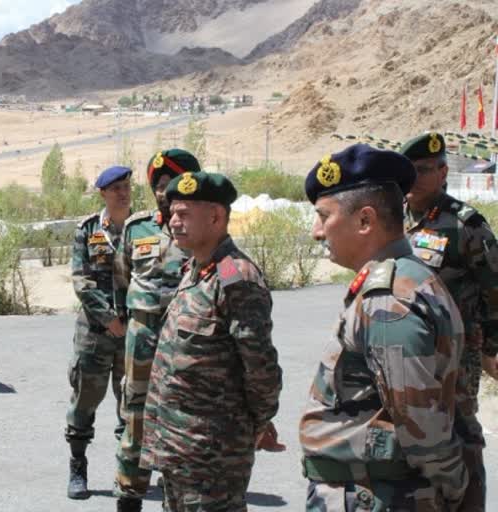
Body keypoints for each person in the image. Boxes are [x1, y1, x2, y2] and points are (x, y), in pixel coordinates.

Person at [300, 144, 469, 510]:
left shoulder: (388, 299)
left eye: (323, 216)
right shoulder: (406, 278)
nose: (316, 231)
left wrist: (454, 487)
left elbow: (422, 425)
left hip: (374, 496)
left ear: (364, 220)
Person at [138, 171, 282, 512]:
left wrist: (257, 424)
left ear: (216, 217)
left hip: (212, 454)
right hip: (177, 446)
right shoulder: (195, 269)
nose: (173, 222)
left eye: (184, 213)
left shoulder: (235, 278)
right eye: (172, 213)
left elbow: (260, 368)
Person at [401, 132, 495, 509]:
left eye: (423, 170)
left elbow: (495, 288)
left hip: (456, 356)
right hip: (408, 354)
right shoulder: (395, 221)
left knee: (459, 434)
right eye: (409, 171)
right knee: (414, 435)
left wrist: (492, 347)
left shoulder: (464, 225)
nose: (415, 179)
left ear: (442, 172)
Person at [112, 149, 196, 512]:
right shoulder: (136, 227)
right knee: (135, 415)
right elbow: (123, 276)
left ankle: (175, 493)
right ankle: (130, 495)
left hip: (186, 341)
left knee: (184, 416)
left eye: (173, 185)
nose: (165, 192)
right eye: (159, 186)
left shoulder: (200, 229)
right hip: (142, 338)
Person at [66, 165, 132, 499]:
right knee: (84, 403)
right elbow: (81, 279)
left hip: (134, 335)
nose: (123, 192)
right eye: (116, 188)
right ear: (103, 193)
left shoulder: (144, 228)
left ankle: (127, 472)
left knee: (132, 404)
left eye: (126, 186)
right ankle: (78, 468)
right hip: (95, 333)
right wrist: (109, 318)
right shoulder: (88, 229)